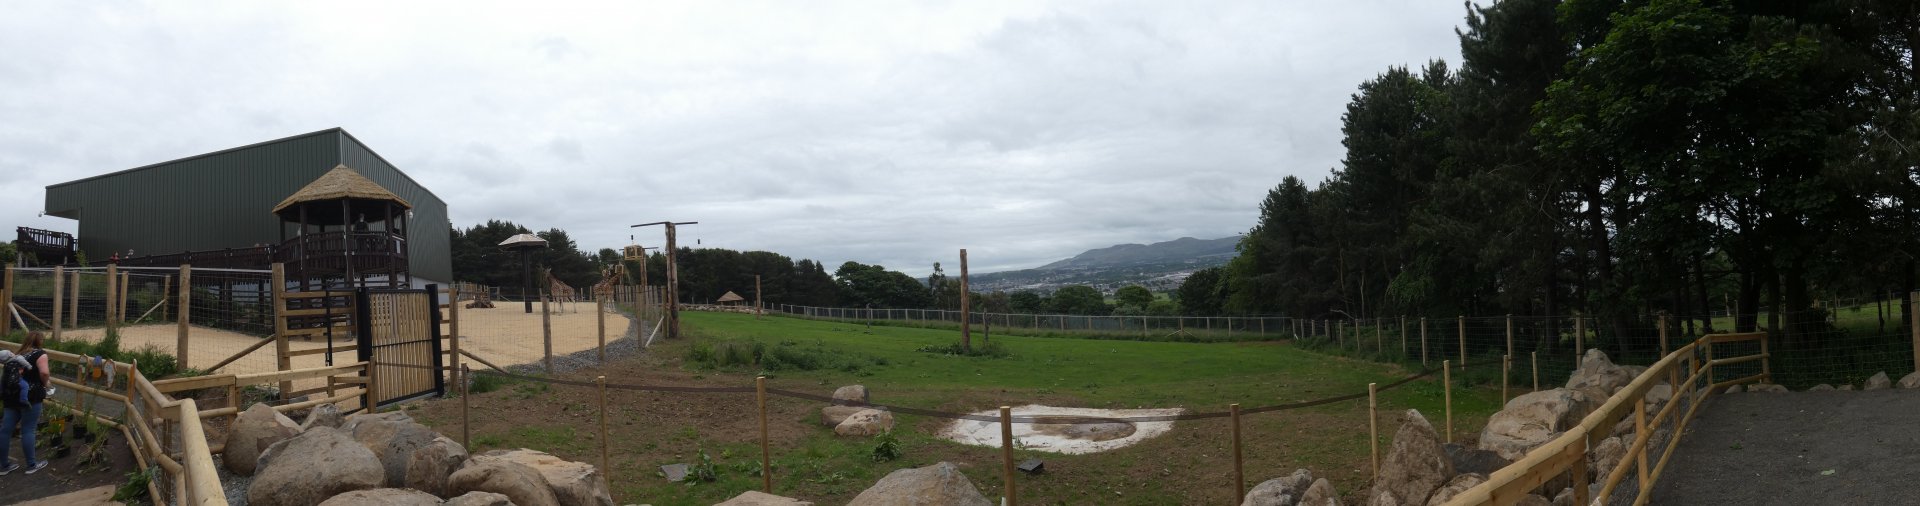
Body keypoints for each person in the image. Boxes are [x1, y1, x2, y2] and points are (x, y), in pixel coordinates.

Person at [1, 332, 50, 475]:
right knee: (28, 430)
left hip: (11, 396)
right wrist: (45, 383)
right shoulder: (40, 354)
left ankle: (3, 466)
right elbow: (45, 373)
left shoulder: (16, 354)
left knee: (5, 430)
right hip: (31, 396)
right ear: (40, 341)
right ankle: (31, 465)